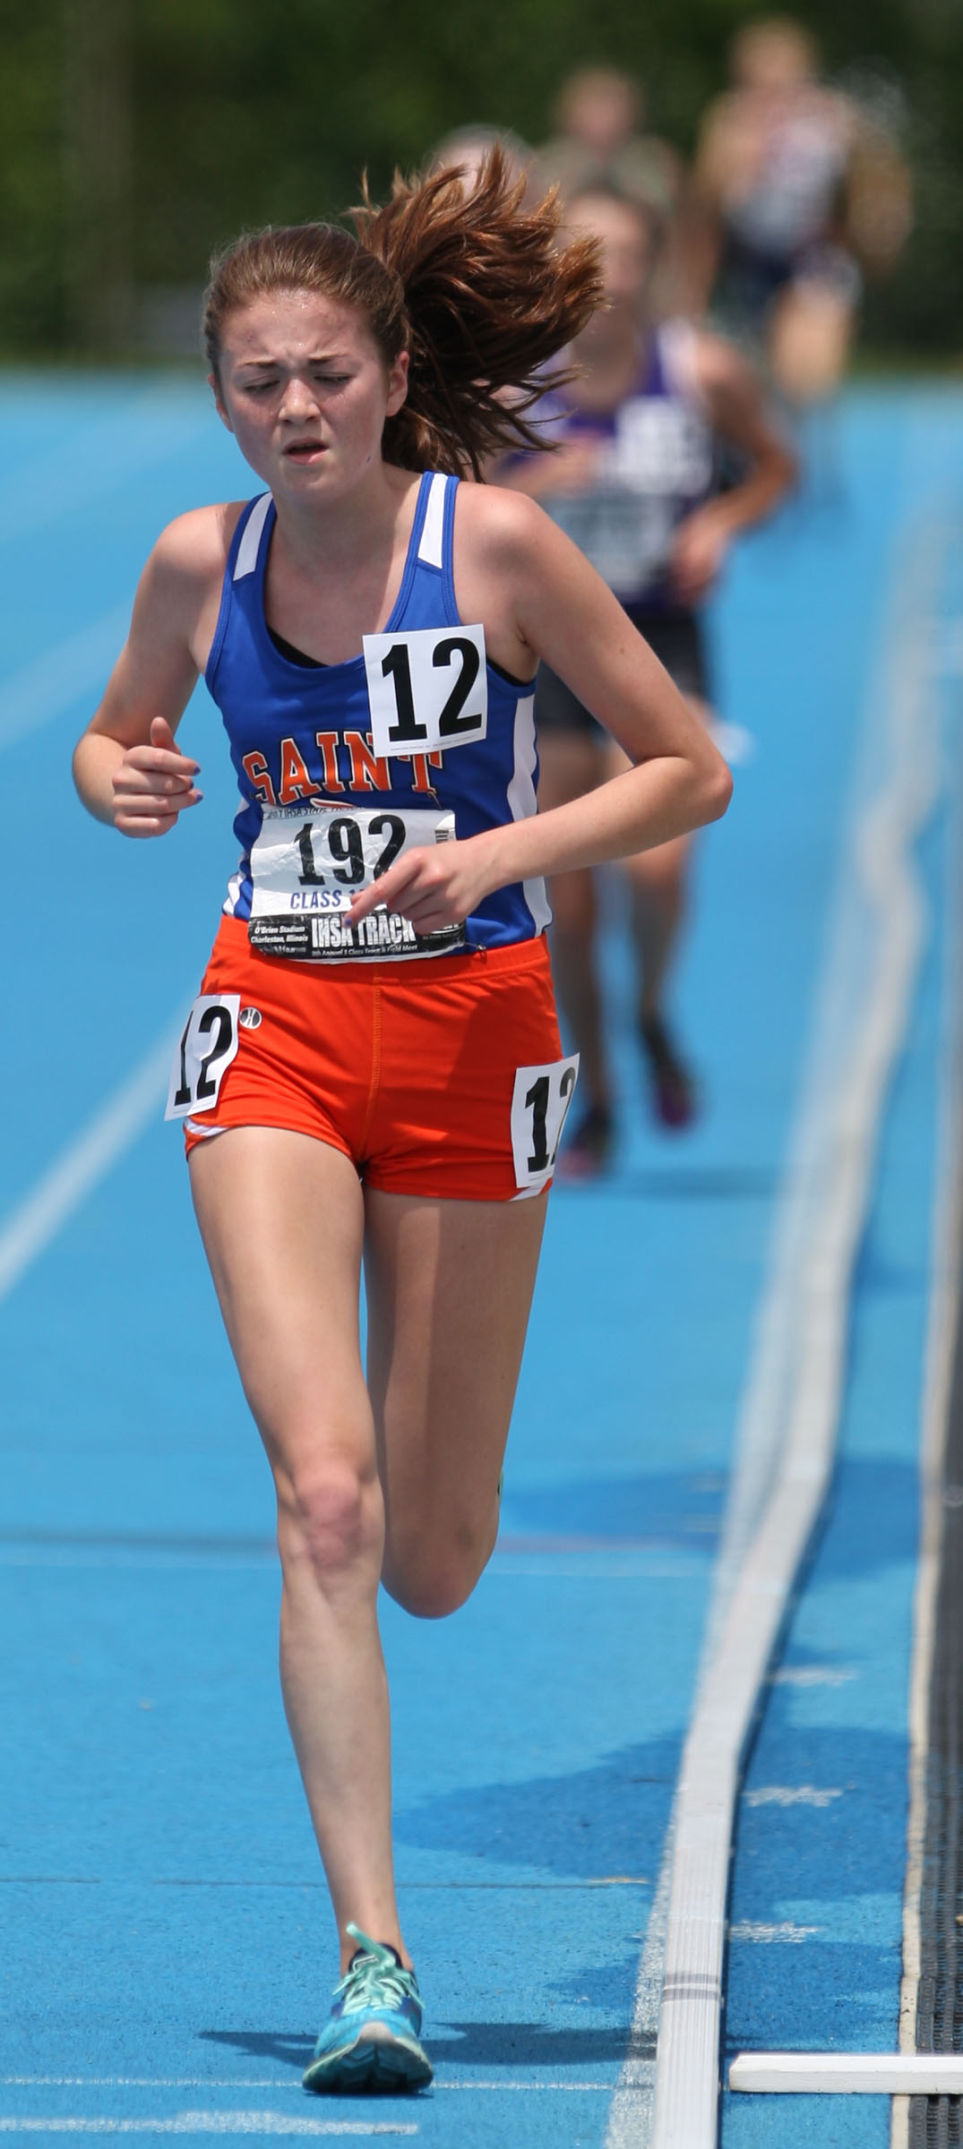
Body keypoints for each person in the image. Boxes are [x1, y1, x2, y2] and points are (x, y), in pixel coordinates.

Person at [72, 151, 731, 2094]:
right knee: (327, 1498)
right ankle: (371, 1956)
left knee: (435, 1547)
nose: (294, 409)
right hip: (271, 1030)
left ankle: (411, 1620)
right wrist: (119, 774)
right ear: (223, 398)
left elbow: (683, 772)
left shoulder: (502, 548)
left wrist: (500, 850)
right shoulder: (201, 567)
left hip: (471, 1033)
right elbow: (123, 730)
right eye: (258, 381)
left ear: (382, 375)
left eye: (323, 375)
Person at [501, 185, 794, 1171]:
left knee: (659, 866)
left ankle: (656, 1008)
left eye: (627, 251)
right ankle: (599, 1095)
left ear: (654, 262)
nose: (610, 270)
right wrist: (541, 485)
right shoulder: (514, 383)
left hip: (660, 641)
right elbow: (443, 495)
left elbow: (774, 468)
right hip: (547, 654)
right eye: (590, 249)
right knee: (568, 906)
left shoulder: (700, 370)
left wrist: (718, 521)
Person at [689, 18, 912, 414]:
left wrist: (876, 235)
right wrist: (740, 159)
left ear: (804, 72)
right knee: (748, 378)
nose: (771, 88)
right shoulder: (729, 120)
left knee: (804, 378)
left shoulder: (833, 119)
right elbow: (705, 205)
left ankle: (803, 423)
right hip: (750, 263)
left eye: (782, 75)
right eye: (758, 77)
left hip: (815, 255)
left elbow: (881, 178)